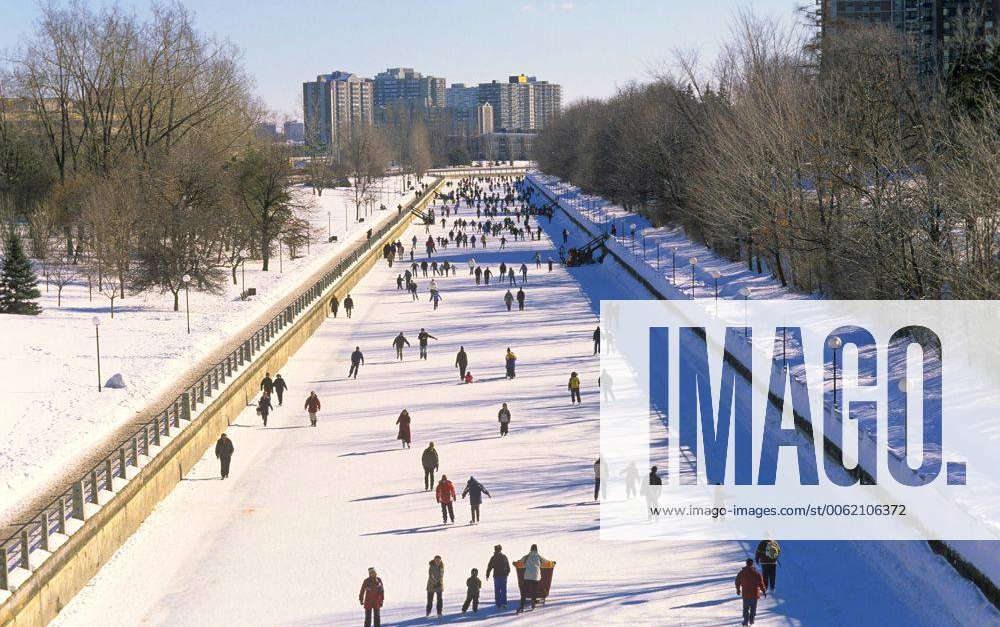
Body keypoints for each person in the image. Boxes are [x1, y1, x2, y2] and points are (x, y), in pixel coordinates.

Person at [517, 544, 550, 613]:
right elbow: (546, 562)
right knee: (534, 591)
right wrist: (552, 563)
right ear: (536, 549)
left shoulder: (527, 556)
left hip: (527, 576)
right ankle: (533, 604)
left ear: (531, 549)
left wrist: (517, 562)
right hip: (535, 577)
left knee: (524, 592)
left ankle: (522, 606)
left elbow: (520, 562)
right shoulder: (538, 556)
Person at [735, 558, 767, 626]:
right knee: (753, 608)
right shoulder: (756, 573)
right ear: (752, 564)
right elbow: (761, 583)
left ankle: (746, 621)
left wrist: (738, 589)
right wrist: (763, 590)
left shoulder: (741, 573)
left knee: (746, 608)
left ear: (746, 563)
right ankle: (751, 620)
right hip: (754, 594)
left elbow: (737, 581)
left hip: (746, 594)